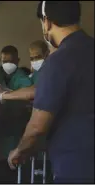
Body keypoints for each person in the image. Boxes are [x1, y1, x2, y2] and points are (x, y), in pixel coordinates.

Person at [7, 1, 94, 183]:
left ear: (46, 21)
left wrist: (19, 151)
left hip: (75, 166)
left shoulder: (58, 61)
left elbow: (37, 127)